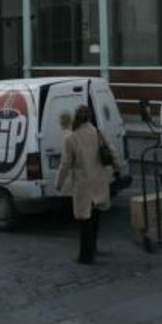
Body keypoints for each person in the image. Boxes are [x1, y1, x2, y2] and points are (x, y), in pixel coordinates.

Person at [56, 104, 113, 264]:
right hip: (98, 180)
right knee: (95, 217)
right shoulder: (98, 132)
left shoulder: (71, 138)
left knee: (84, 220)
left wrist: (59, 183)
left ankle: (85, 255)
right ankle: (93, 248)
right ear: (89, 117)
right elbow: (111, 151)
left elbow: (65, 164)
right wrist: (117, 168)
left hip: (83, 184)